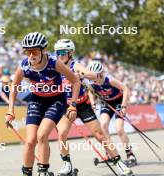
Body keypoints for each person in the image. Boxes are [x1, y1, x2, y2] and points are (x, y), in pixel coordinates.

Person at [5, 32, 81, 176]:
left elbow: (76, 81)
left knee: (41, 136)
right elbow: (14, 86)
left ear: (43, 50)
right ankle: (26, 172)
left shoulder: (54, 63)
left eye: (34, 51)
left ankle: (43, 170)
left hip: (56, 100)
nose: (31, 55)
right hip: (37, 100)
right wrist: (10, 111)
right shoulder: (24, 65)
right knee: (30, 140)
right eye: (27, 51)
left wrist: (73, 105)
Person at [54, 39, 134, 176]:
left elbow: (93, 75)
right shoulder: (55, 68)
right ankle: (67, 164)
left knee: (100, 135)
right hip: (68, 106)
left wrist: (79, 75)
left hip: (83, 105)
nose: (60, 55)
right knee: (61, 134)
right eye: (57, 52)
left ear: (70, 53)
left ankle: (118, 162)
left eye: (63, 52)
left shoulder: (75, 65)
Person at [87, 61, 137, 166]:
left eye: (94, 75)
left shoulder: (109, 80)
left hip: (118, 102)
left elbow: (126, 89)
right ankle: (110, 153)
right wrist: (93, 103)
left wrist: (123, 106)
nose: (92, 78)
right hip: (106, 103)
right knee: (103, 126)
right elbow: (90, 92)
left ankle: (130, 154)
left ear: (100, 73)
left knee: (119, 129)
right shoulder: (91, 82)